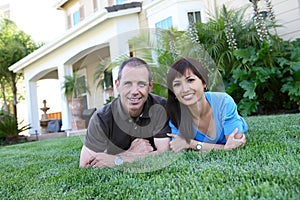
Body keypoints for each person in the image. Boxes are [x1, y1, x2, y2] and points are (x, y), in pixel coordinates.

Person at [80, 57, 170, 168]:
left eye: (141, 84)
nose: (134, 91)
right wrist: (127, 155)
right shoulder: (101, 118)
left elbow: (164, 153)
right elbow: (85, 164)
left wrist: (120, 159)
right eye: (127, 84)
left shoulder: (161, 108)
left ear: (150, 87)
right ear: (117, 85)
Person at [166, 57, 247, 152]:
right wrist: (224, 148)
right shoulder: (176, 114)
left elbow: (236, 145)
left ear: (204, 82)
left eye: (190, 80)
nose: (185, 89)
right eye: (177, 84)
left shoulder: (223, 102)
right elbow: (178, 147)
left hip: (234, 120)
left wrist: (190, 143)